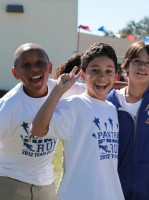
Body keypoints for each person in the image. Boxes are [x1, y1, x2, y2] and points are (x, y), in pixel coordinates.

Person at [30, 42, 124, 200]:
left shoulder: (111, 108)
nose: (102, 76)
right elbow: (37, 129)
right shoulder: (74, 105)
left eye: (108, 71)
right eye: (95, 71)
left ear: (115, 76)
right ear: (82, 75)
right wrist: (58, 90)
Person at [0, 43, 85, 200]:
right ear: (15, 73)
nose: (34, 69)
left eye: (40, 63)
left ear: (50, 66)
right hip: (10, 183)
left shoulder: (64, 88)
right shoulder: (8, 106)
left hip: (46, 185)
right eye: (26, 65)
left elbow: (98, 90)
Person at [107, 41, 149, 200]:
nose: (143, 67)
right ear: (126, 65)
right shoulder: (108, 103)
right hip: (114, 191)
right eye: (137, 61)